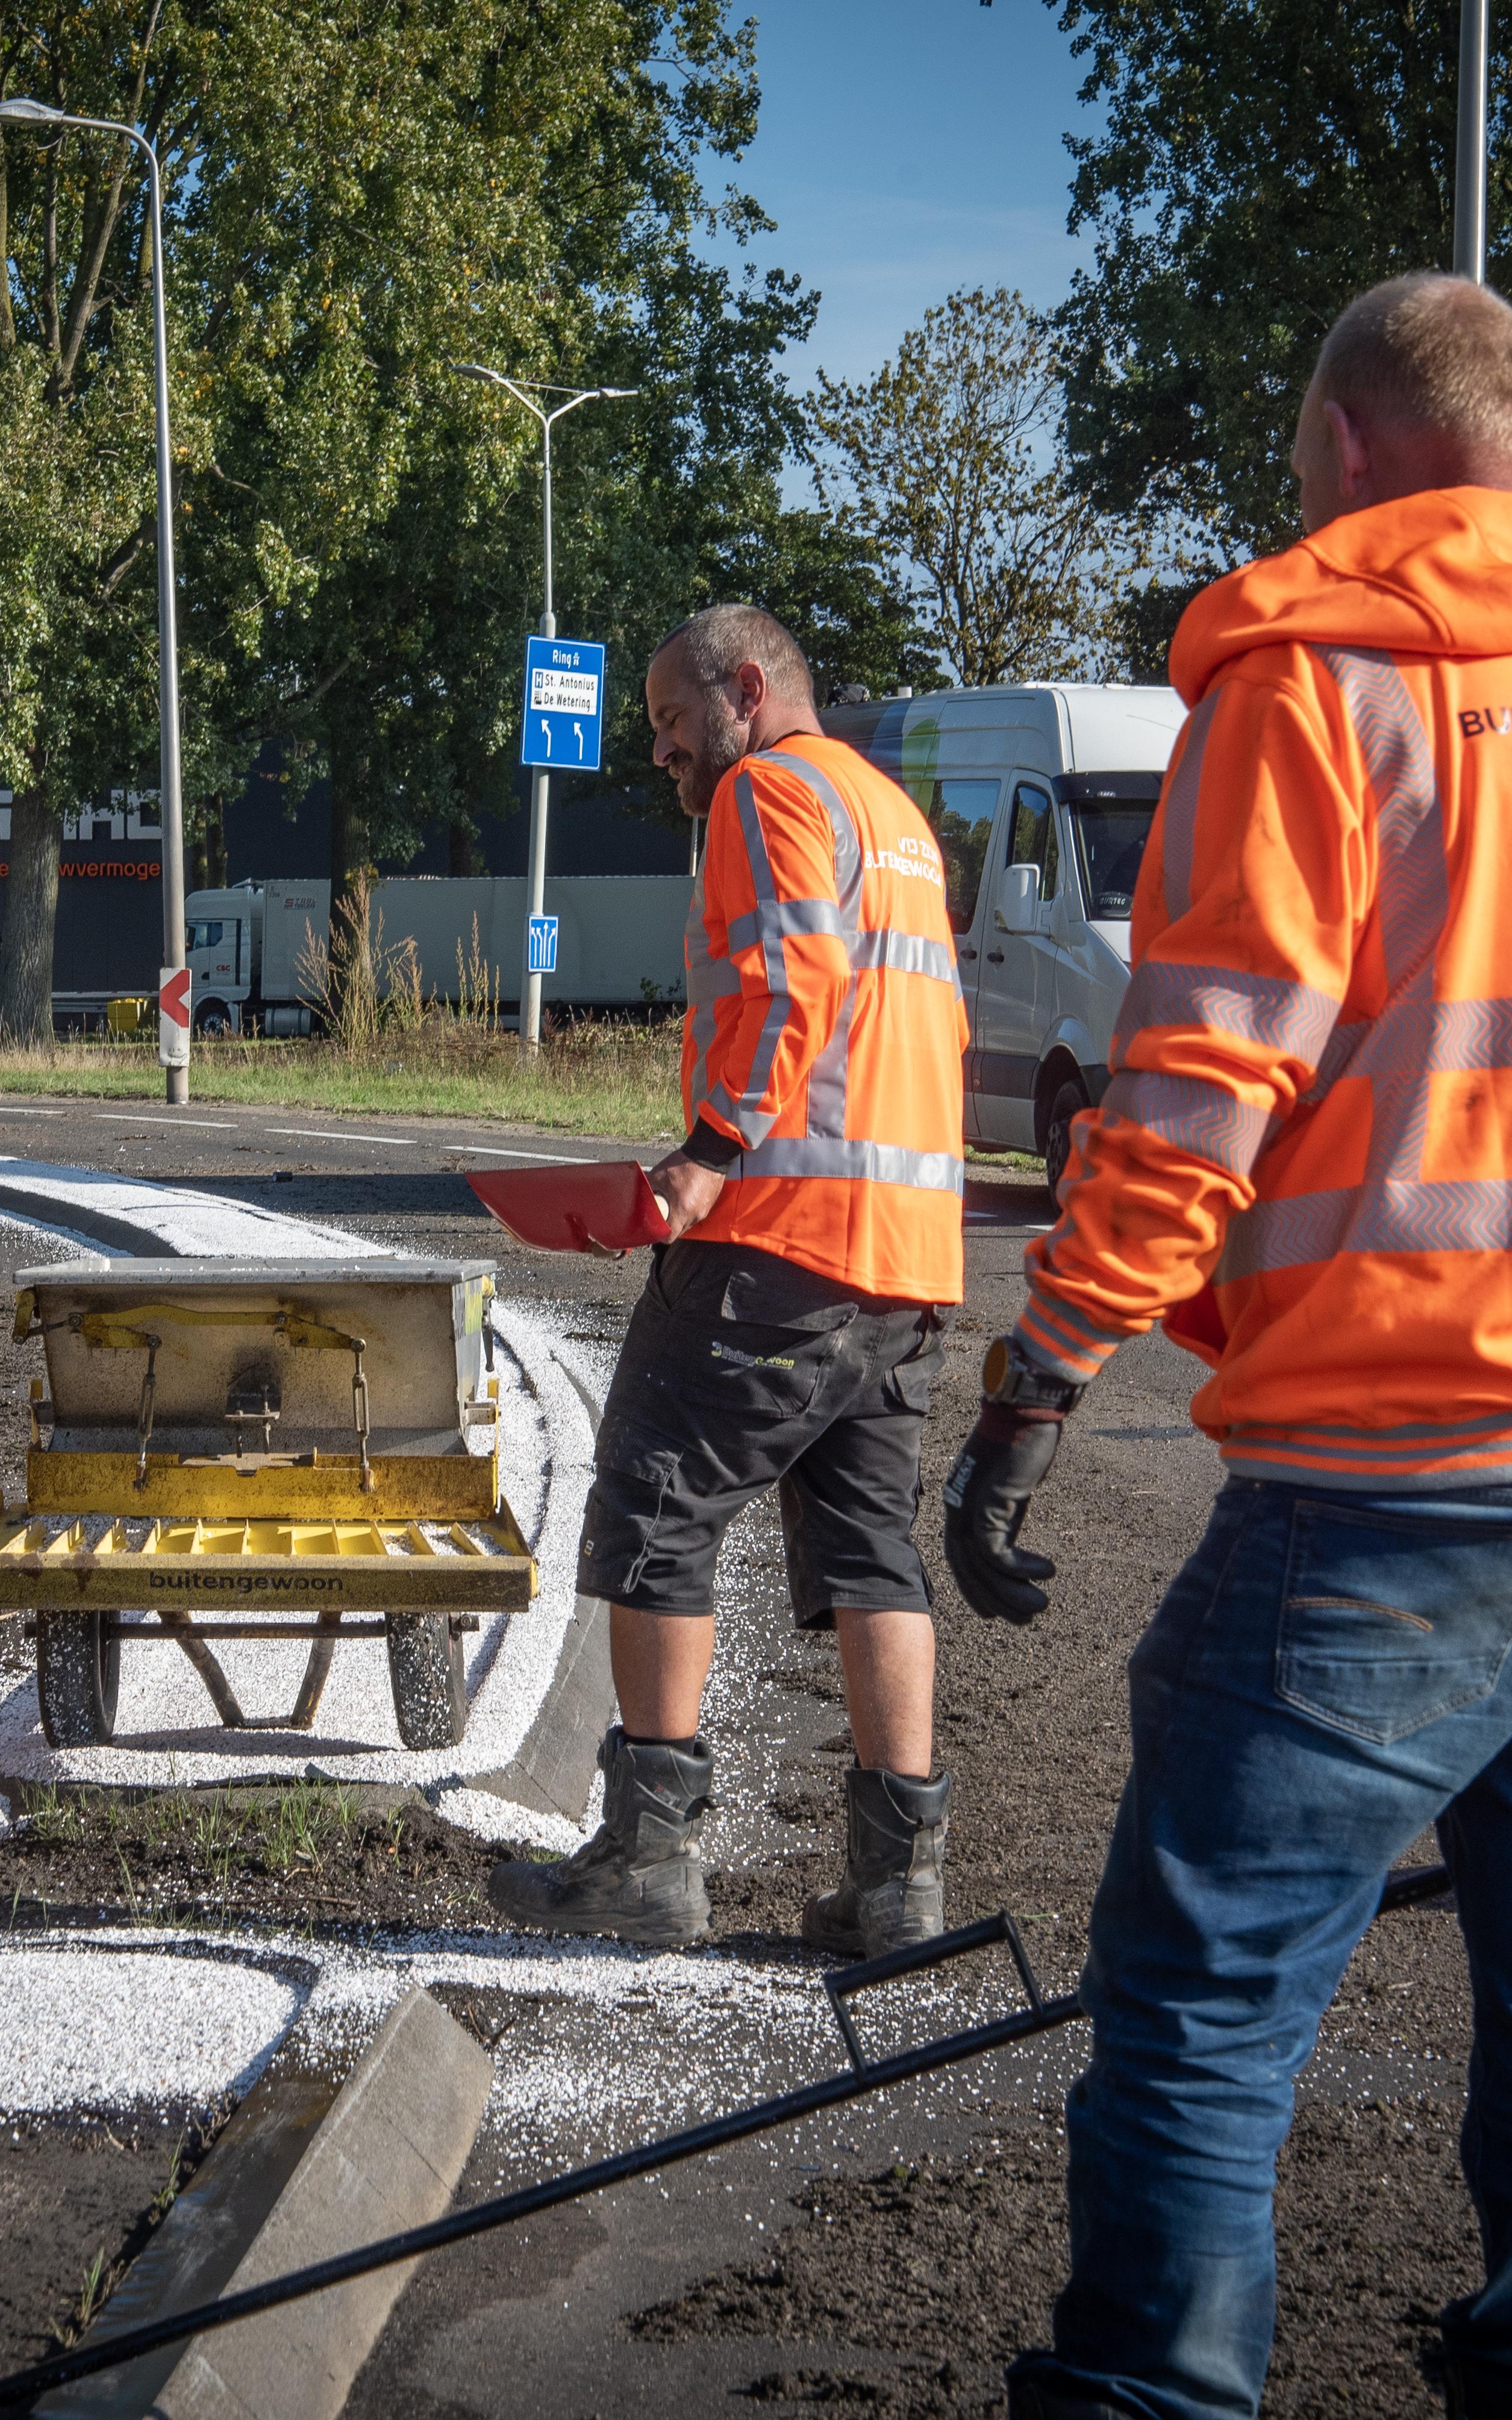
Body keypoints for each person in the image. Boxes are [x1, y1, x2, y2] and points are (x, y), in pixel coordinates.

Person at [943, 273, 1512, 2420]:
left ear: (1346, 449)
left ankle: (1151, 2393)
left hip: (1403, 1470)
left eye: (1295, 463)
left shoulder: (1320, 691)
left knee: (1199, 1990)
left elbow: (1195, 1086)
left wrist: (1043, 1369)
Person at [486, 604, 971, 1956]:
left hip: (775, 1242)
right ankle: (899, 1884)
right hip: (905, 1262)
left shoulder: (767, 791)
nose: (659, 751)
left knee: (652, 1498)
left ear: (746, 692)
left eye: (669, 719)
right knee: (875, 1558)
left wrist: (707, 1151)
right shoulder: (893, 816)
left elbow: (784, 978)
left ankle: (649, 1858)